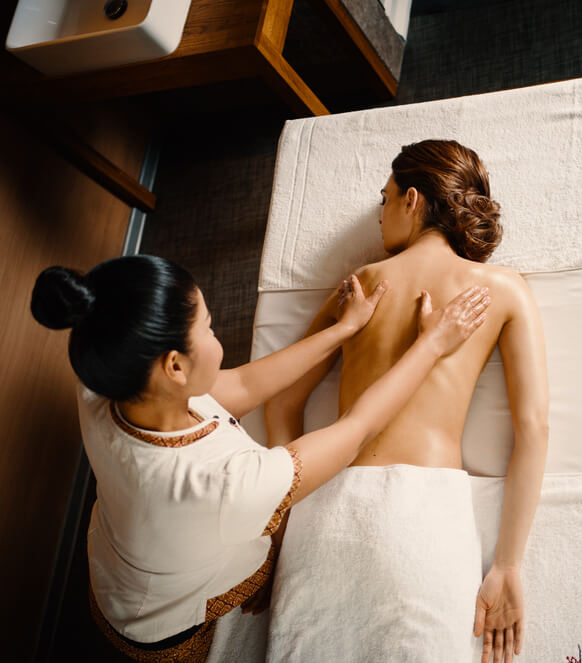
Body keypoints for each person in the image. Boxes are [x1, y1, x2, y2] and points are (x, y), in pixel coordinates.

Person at [30, 254, 489, 663]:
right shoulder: (225, 484)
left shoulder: (104, 385)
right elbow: (356, 430)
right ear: (175, 366)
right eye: (208, 328)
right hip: (160, 627)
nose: (215, 335)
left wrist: (342, 329)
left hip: (119, 567)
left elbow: (244, 386)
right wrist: (432, 344)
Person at [265, 139, 549, 663]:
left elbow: (281, 402)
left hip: (328, 506)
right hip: (423, 522)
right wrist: (508, 566)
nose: (380, 215)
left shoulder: (359, 286)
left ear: (412, 199)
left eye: (385, 198)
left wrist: (282, 525)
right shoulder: (502, 289)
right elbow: (533, 429)